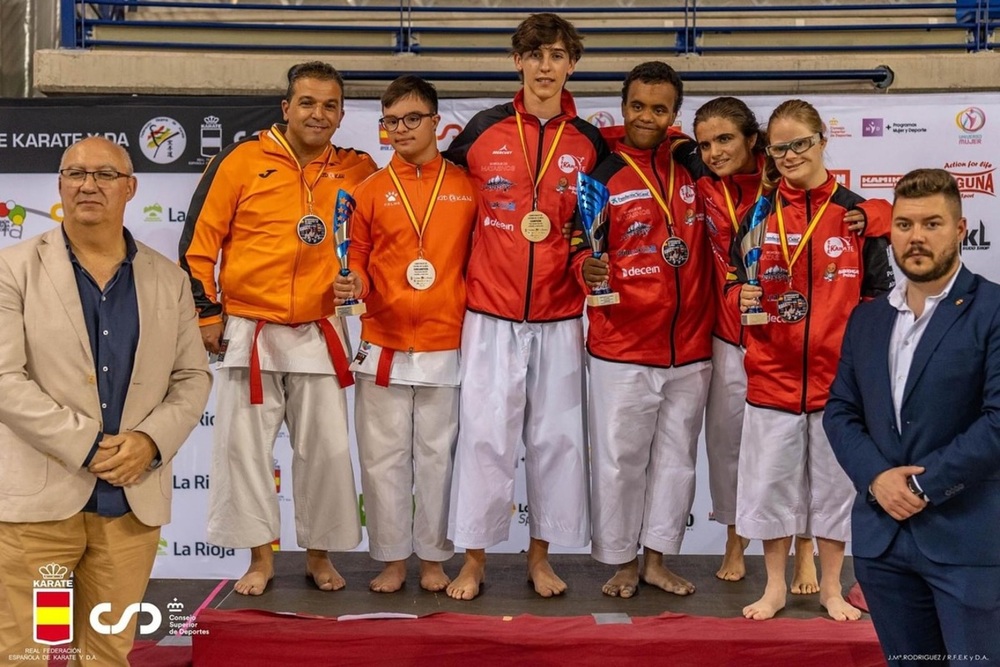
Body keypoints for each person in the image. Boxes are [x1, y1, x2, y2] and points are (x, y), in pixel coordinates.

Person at [0, 137, 211, 665]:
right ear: (60, 186)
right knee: (28, 652)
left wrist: (149, 441)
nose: (88, 185)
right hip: (39, 511)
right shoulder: (13, 269)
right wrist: (87, 445)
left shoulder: (169, 280)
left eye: (104, 174)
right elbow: (5, 378)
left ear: (131, 187)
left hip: (128, 509)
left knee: (106, 654)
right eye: (75, 173)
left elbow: (192, 378)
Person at [179, 61, 377, 596]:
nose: (319, 114)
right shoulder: (241, 161)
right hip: (252, 325)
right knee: (243, 452)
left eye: (330, 105)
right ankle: (260, 558)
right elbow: (199, 244)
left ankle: (319, 553)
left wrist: (359, 281)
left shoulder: (359, 170)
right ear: (286, 108)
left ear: (341, 113)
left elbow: (375, 246)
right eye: (308, 103)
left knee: (328, 450)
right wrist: (207, 313)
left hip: (321, 327)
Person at [442, 12, 610, 600]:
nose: (546, 66)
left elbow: (595, 229)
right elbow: (441, 205)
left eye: (558, 55)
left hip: (561, 315)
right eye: (535, 54)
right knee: (485, 438)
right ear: (518, 60)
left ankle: (541, 557)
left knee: (556, 441)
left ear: (572, 64)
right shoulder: (481, 132)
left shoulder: (589, 141)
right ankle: (475, 560)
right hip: (489, 314)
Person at [690, 97, 886, 587]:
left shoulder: (858, 215)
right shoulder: (759, 217)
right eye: (780, 149)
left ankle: (833, 586)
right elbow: (734, 283)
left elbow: (878, 298)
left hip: (837, 384)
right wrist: (742, 298)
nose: (790, 155)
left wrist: (856, 359)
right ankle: (775, 586)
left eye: (799, 144)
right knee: (772, 487)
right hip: (772, 377)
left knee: (834, 489)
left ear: (822, 140)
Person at [825, 168, 1000, 665]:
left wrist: (921, 488)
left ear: (961, 230)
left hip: (967, 543)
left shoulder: (993, 310)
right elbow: (840, 411)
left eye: (932, 224)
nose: (916, 237)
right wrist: (877, 478)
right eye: (904, 225)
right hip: (883, 546)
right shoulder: (868, 317)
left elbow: (998, 420)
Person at [333, 75, 477, 594]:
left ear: (436, 122)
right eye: (391, 121)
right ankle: (392, 558)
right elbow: (360, 257)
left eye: (412, 119)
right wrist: (356, 281)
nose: (400, 130)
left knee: (438, 460)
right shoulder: (367, 191)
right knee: (382, 458)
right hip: (384, 343)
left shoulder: (466, 186)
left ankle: (435, 557)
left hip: (446, 341)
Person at [575, 61, 712, 599]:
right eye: (638, 106)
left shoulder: (695, 168)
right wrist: (581, 268)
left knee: (676, 463)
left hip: (691, 347)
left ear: (675, 114)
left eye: (660, 108)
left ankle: (656, 559)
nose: (647, 117)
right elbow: (578, 244)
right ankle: (622, 561)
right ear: (624, 105)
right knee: (619, 464)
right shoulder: (601, 172)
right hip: (623, 346)